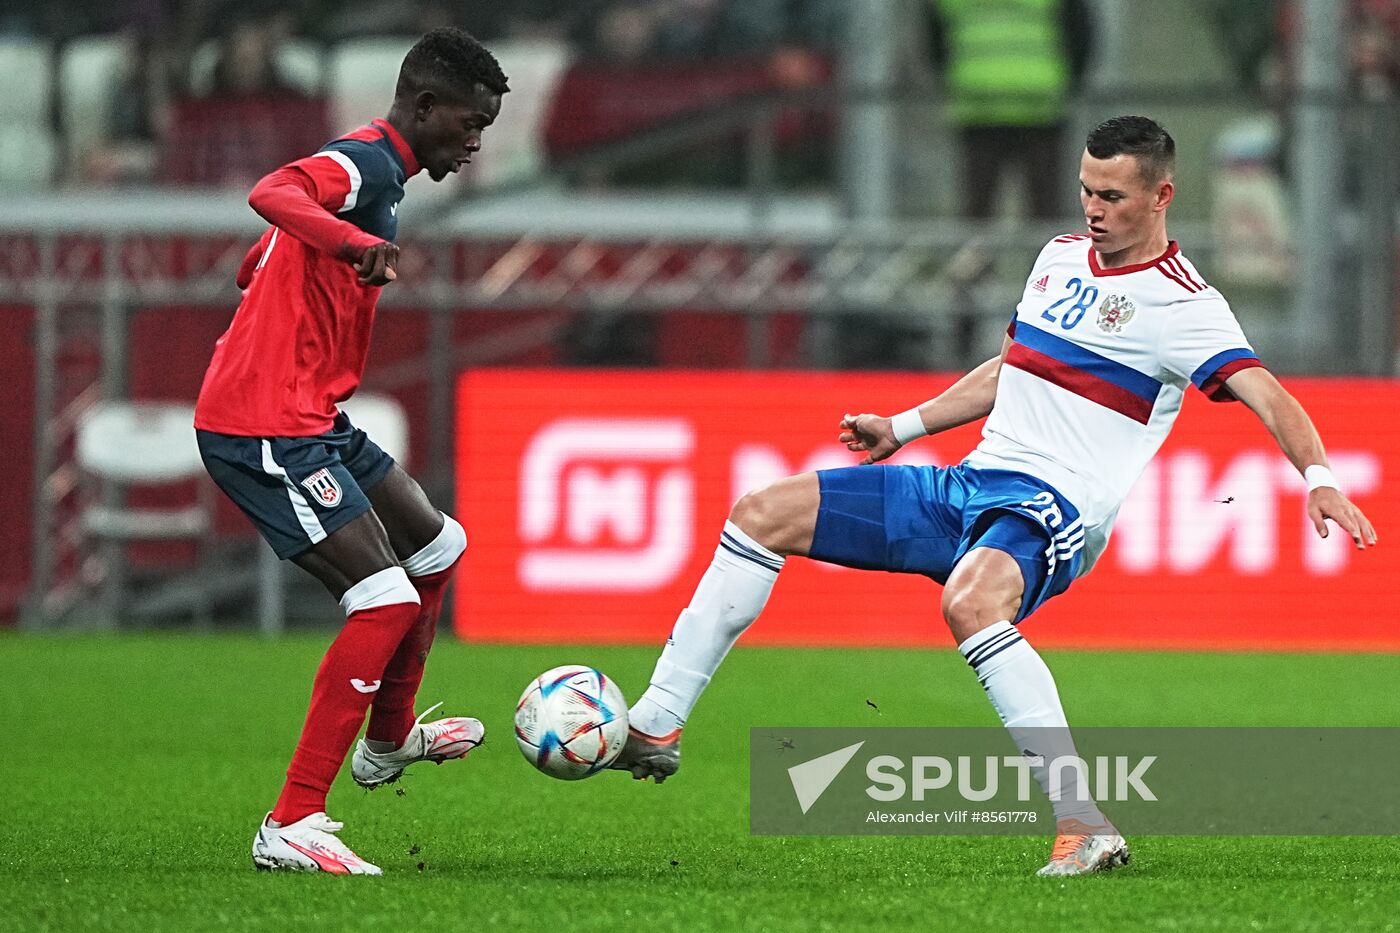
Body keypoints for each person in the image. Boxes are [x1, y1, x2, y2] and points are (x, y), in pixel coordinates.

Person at [609, 115, 1379, 876]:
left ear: (1161, 196)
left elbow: (1268, 393)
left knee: (972, 603)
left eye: (1111, 194)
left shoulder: (1186, 306)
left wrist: (1319, 478)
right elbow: (1015, 361)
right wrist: (904, 426)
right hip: (970, 483)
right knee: (761, 513)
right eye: (1085, 189)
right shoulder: (1059, 256)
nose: (1093, 207)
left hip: (1059, 506)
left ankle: (1083, 821)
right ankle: (658, 722)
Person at [193, 27, 508, 875]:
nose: (476, 141)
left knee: (441, 544)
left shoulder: (385, 175)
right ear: (425, 106)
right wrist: (352, 246)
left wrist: (289, 265)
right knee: (380, 598)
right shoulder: (367, 163)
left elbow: (267, 245)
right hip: (264, 422)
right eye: (470, 123)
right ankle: (292, 819)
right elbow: (275, 189)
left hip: (312, 413)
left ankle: (390, 738)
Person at [928, 0, 1092, 220]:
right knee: (1044, 214)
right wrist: (1065, 84)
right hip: (1040, 106)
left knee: (976, 217)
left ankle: (978, 254)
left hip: (978, 105)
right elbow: (1080, 35)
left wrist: (957, 81)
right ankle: (1043, 254)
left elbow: (935, 41)